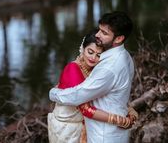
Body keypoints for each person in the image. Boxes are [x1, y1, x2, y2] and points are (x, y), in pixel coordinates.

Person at [49, 11, 136, 143]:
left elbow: (78, 97)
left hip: (104, 135)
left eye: (104, 33)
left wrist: (54, 93)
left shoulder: (108, 67)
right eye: (99, 30)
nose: (97, 35)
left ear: (119, 39)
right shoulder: (125, 56)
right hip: (114, 132)